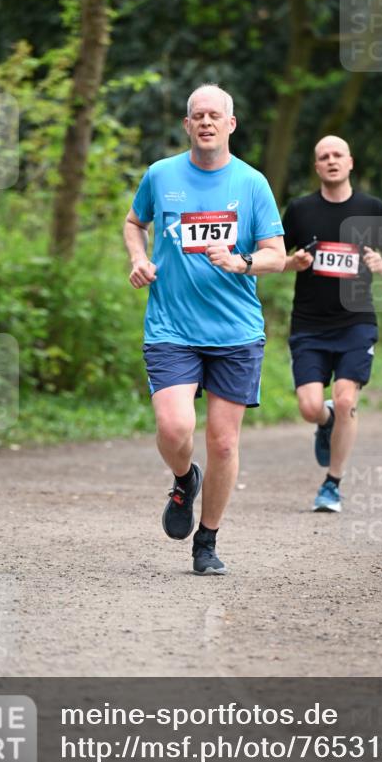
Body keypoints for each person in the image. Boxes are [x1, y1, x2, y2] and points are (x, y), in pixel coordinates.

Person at [124, 84, 286, 574]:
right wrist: (138, 258)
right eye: (198, 116)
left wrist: (241, 263)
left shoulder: (252, 184)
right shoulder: (162, 175)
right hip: (171, 325)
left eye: (215, 115)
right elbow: (135, 223)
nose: (207, 122)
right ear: (188, 125)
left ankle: (207, 541)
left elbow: (276, 256)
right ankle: (182, 480)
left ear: (231, 124)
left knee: (223, 442)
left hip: (235, 331)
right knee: (174, 428)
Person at [282, 135, 382, 512]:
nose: (331, 161)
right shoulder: (300, 210)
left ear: (350, 162)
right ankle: (326, 418)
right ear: (316, 166)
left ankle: (332, 484)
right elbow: (275, 256)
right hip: (308, 323)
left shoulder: (371, 208)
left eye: (338, 155)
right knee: (308, 407)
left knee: (349, 397)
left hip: (356, 321)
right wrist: (292, 263)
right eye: (324, 156)